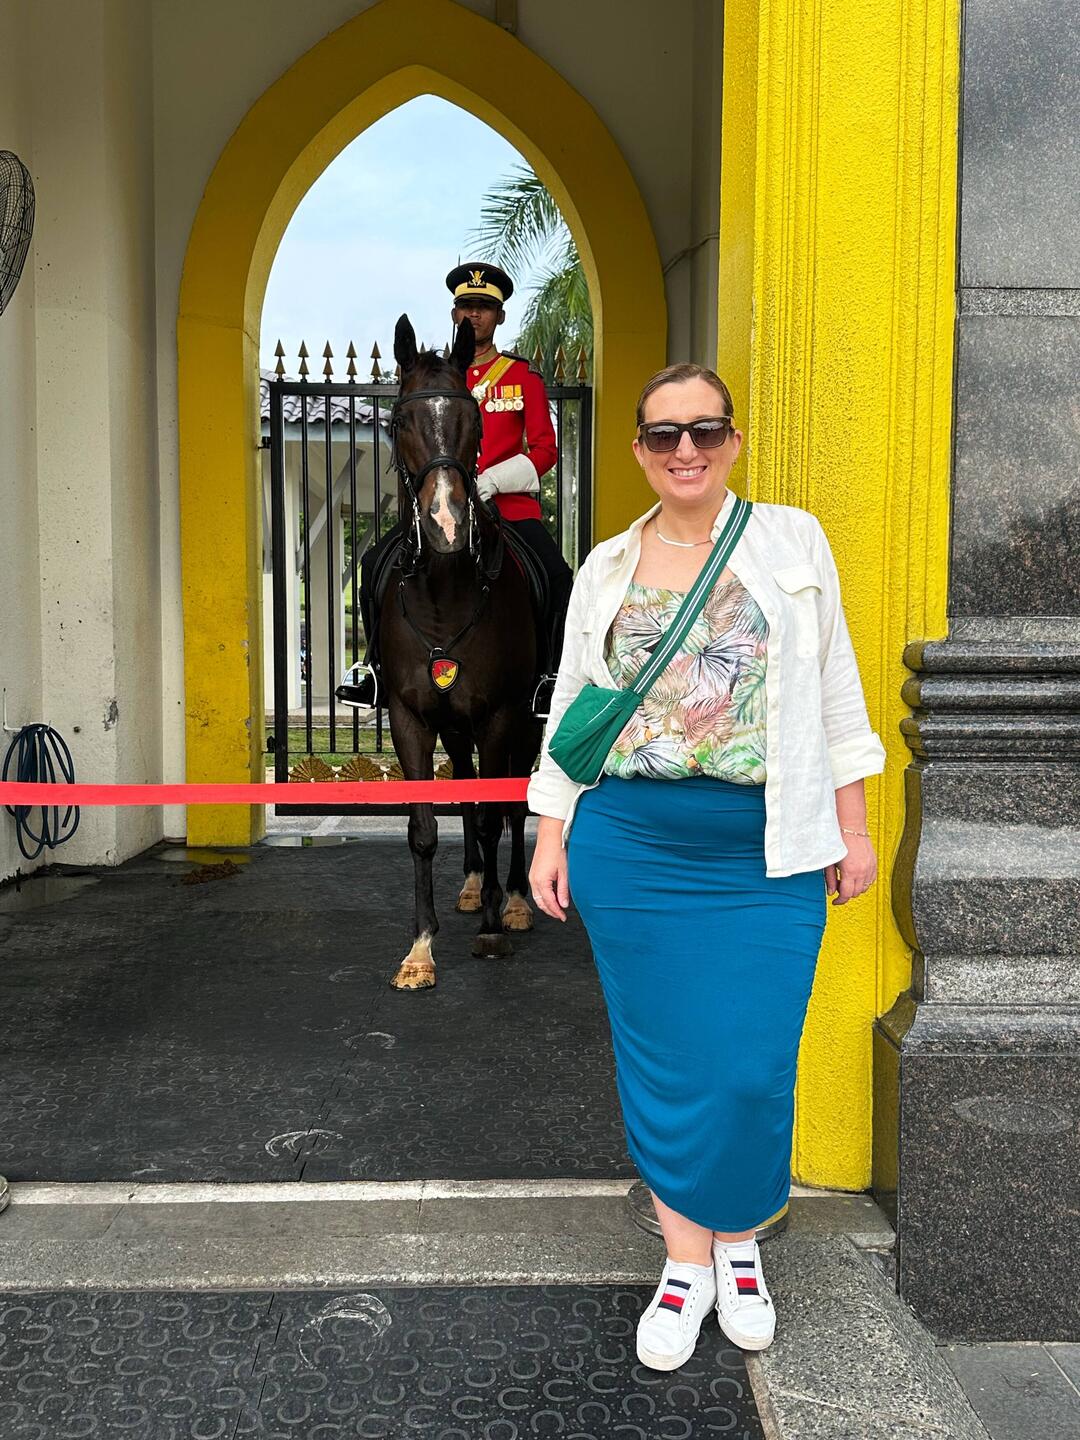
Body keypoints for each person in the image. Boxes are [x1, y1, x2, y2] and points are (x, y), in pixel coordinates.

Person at [527, 363, 886, 1372]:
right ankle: (690, 1266)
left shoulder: (790, 542)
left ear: (732, 440)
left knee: (750, 1066)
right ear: (639, 450)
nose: (684, 450)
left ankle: (741, 1245)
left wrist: (853, 831)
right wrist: (551, 835)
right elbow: (572, 710)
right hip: (633, 846)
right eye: (662, 435)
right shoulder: (605, 566)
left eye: (705, 430)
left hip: (762, 850)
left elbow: (836, 696)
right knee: (666, 1062)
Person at [344, 262, 574, 717]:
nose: (475, 315)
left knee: (559, 577)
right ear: (454, 313)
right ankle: (374, 671)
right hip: (437, 506)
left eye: (485, 307)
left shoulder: (520, 377)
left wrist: (490, 482)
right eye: (467, 306)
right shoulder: (436, 378)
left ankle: (547, 678)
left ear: (499, 316)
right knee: (374, 563)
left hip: (507, 510)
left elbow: (545, 451)